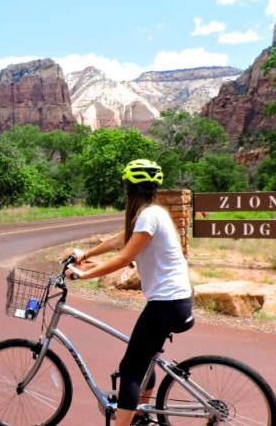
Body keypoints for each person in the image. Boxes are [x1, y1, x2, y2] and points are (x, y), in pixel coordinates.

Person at [68, 159, 193, 426]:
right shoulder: (153, 213)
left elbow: (124, 258)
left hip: (166, 304)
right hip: (175, 301)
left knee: (130, 370)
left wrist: (84, 274)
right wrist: (86, 255)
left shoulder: (149, 216)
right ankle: (140, 415)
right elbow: (120, 239)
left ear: (129, 187)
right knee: (144, 361)